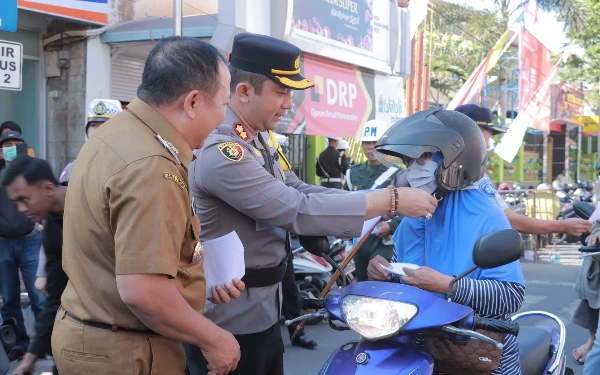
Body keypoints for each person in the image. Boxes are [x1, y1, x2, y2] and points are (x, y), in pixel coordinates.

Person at [187, 32, 438, 375]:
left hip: (263, 306)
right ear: (244, 91)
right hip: (229, 315)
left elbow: (300, 189)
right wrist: (390, 200)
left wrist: (377, 203)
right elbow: (295, 209)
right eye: (281, 92)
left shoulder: (259, 137)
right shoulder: (224, 152)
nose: (289, 103)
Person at [51, 36, 246, 375]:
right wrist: (215, 340)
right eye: (223, 104)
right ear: (193, 102)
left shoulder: (117, 134)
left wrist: (194, 281)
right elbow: (143, 291)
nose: (223, 118)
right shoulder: (152, 165)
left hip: (93, 337)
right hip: (126, 352)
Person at [368, 108, 525, 375]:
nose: (413, 170)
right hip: (419, 348)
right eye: (409, 161)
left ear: (454, 160)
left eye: (423, 158)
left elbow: (510, 296)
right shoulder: (413, 219)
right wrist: (384, 272)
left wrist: (447, 285)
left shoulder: (487, 216)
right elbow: (406, 275)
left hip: (479, 351)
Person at [454, 104, 592, 239]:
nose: (489, 145)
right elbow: (512, 220)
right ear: (469, 133)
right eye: (487, 137)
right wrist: (563, 226)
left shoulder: (458, 171)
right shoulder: (467, 174)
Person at [3, 156, 68, 375]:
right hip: (77, 334)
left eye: (24, 199)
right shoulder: (51, 229)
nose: (20, 209)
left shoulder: (92, 206)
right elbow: (55, 298)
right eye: (15, 202)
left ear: (48, 187)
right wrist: (30, 357)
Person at [0, 131, 45, 362]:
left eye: (17, 144)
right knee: (9, 298)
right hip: (3, 244)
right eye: (8, 144)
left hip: (30, 239)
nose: (12, 148)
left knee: (39, 295)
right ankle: (18, 344)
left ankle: (44, 343)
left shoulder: (32, 171)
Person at [344, 119, 403, 281]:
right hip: (359, 242)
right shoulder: (352, 173)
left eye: (374, 142)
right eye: (366, 142)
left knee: (381, 285)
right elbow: (344, 205)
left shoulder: (398, 174)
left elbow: (409, 209)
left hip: (384, 241)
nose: (370, 147)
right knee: (361, 287)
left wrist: (391, 225)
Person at [58, 99, 123, 183]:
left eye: (105, 125)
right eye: (93, 125)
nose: (97, 131)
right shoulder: (72, 168)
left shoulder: (125, 167)